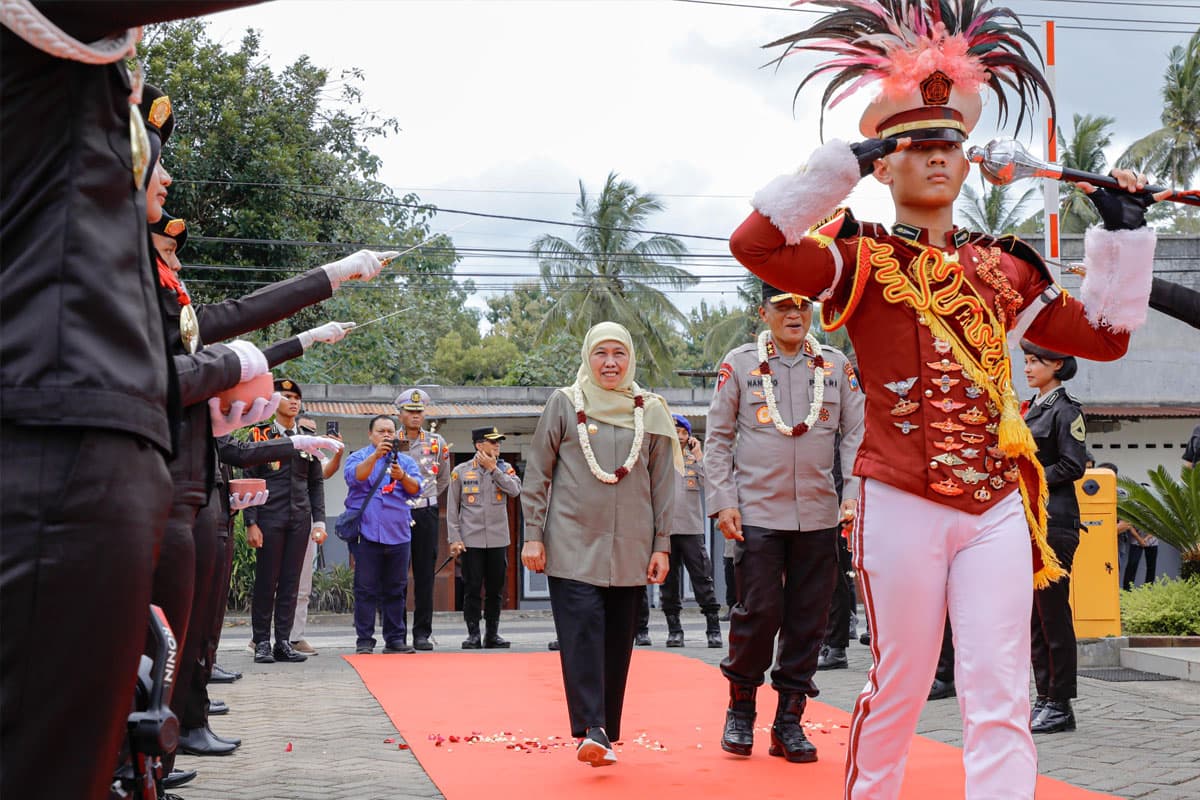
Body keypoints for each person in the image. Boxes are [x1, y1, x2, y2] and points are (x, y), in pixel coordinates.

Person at [732, 3, 1159, 795]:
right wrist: (839, 166)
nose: (935, 156)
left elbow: (1104, 339)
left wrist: (1125, 237)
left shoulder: (1008, 268)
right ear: (885, 166)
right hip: (899, 494)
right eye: (913, 144)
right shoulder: (852, 259)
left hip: (997, 499)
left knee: (1002, 686)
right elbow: (754, 246)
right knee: (900, 679)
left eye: (949, 144)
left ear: (968, 165)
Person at [707, 282, 865, 763]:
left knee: (808, 619)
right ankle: (741, 710)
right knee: (758, 613)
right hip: (757, 513)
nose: (795, 314)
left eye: (803, 306)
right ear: (765, 312)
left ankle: (789, 723)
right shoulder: (739, 364)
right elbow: (717, 438)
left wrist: (853, 495)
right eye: (784, 307)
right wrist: (723, 501)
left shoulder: (837, 367)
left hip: (818, 514)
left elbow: (856, 434)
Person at [520, 322, 680, 767]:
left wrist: (661, 544)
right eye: (601, 353)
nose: (610, 363)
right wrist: (533, 535)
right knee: (583, 632)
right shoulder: (565, 404)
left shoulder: (650, 409)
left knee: (618, 640)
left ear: (630, 359)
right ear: (588, 357)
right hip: (571, 543)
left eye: (619, 354)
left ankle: (604, 731)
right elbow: (538, 474)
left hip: (631, 547)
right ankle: (590, 729)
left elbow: (663, 483)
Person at [1021, 340, 1088, 734]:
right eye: (1026, 361)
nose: (1027, 368)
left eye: (1035, 362)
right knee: (1035, 617)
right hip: (1030, 522)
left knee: (1053, 614)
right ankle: (1044, 697)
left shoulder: (1066, 410)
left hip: (1056, 523)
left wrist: (1029, 480)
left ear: (1057, 365)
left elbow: (1072, 464)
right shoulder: (1031, 409)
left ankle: (1060, 702)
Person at [244, 379, 328, 664]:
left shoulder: (307, 437)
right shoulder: (261, 435)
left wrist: (319, 522)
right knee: (267, 581)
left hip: (300, 519)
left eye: (297, 397)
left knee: (291, 582)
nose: (293, 401)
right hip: (269, 517)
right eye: (287, 396)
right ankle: (261, 642)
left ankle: (282, 641)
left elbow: (315, 483)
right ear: (273, 400)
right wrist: (250, 522)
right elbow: (249, 479)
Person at [344, 415, 422, 654]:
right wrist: (376, 455)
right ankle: (365, 640)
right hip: (366, 533)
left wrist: (402, 477)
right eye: (381, 431)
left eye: (390, 431)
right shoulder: (359, 456)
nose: (386, 435)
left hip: (398, 532)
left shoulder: (406, 461)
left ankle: (395, 639)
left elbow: (416, 489)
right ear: (370, 435)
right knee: (365, 589)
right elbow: (354, 477)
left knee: (396, 589)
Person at [448, 426, 523, 648]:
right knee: (471, 589)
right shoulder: (461, 471)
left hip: (498, 540)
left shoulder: (505, 468)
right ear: (479, 445)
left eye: (498, 441)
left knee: (495, 590)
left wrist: (493, 470)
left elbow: (515, 490)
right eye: (492, 442)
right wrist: (454, 538)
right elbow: (453, 508)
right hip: (471, 540)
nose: (497, 445)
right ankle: (473, 634)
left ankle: (492, 634)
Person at [393, 388, 453, 650]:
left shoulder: (437, 442)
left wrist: (424, 497)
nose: (415, 416)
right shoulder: (391, 440)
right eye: (410, 411)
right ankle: (395, 632)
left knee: (424, 574)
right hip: (397, 512)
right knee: (396, 574)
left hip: (426, 512)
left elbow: (442, 478)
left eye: (419, 412)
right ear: (400, 414)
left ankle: (422, 634)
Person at [662, 414, 723, 648]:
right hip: (666, 530)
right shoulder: (661, 459)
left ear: (689, 436)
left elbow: (711, 483)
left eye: (683, 432)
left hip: (691, 529)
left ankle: (713, 628)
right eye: (674, 432)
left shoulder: (695, 459)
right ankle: (674, 629)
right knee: (668, 582)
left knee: (702, 578)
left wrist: (699, 455)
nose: (679, 436)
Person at [290, 414, 347, 656]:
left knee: (303, 584)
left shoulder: (313, 458)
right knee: (273, 584)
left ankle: (295, 637)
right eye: (304, 430)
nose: (309, 435)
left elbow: (325, 475)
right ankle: (259, 638)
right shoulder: (282, 449)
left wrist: (338, 454)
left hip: (308, 521)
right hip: (278, 520)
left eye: (314, 433)